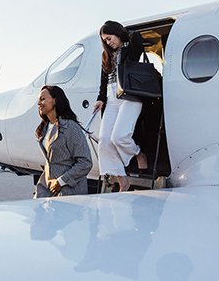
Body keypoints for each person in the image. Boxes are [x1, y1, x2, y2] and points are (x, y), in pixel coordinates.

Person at [92, 20, 148, 192]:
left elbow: (137, 37)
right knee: (105, 142)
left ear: (117, 33)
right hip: (111, 96)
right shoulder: (106, 55)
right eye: (105, 40)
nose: (109, 42)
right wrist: (100, 99)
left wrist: (124, 33)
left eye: (110, 38)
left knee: (119, 137)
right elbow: (104, 80)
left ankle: (138, 153)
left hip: (129, 94)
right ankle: (123, 182)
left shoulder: (130, 48)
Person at [35, 85, 92, 198]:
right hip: (48, 191)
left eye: (43, 99)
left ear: (55, 100)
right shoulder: (46, 128)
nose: (39, 103)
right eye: (38, 100)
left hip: (70, 193)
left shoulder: (70, 127)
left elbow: (85, 163)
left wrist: (61, 182)